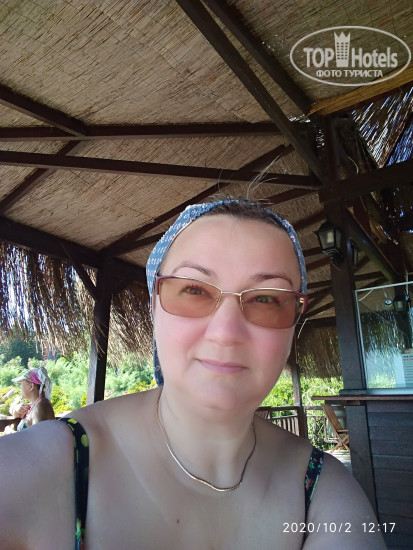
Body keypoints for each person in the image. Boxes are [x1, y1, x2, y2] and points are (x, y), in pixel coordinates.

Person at [0, 199, 386, 549]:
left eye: (267, 298)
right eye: (194, 290)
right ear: (153, 307)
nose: (226, 332)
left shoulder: (323, 489)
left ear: (294, 323)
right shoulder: (38, 470)